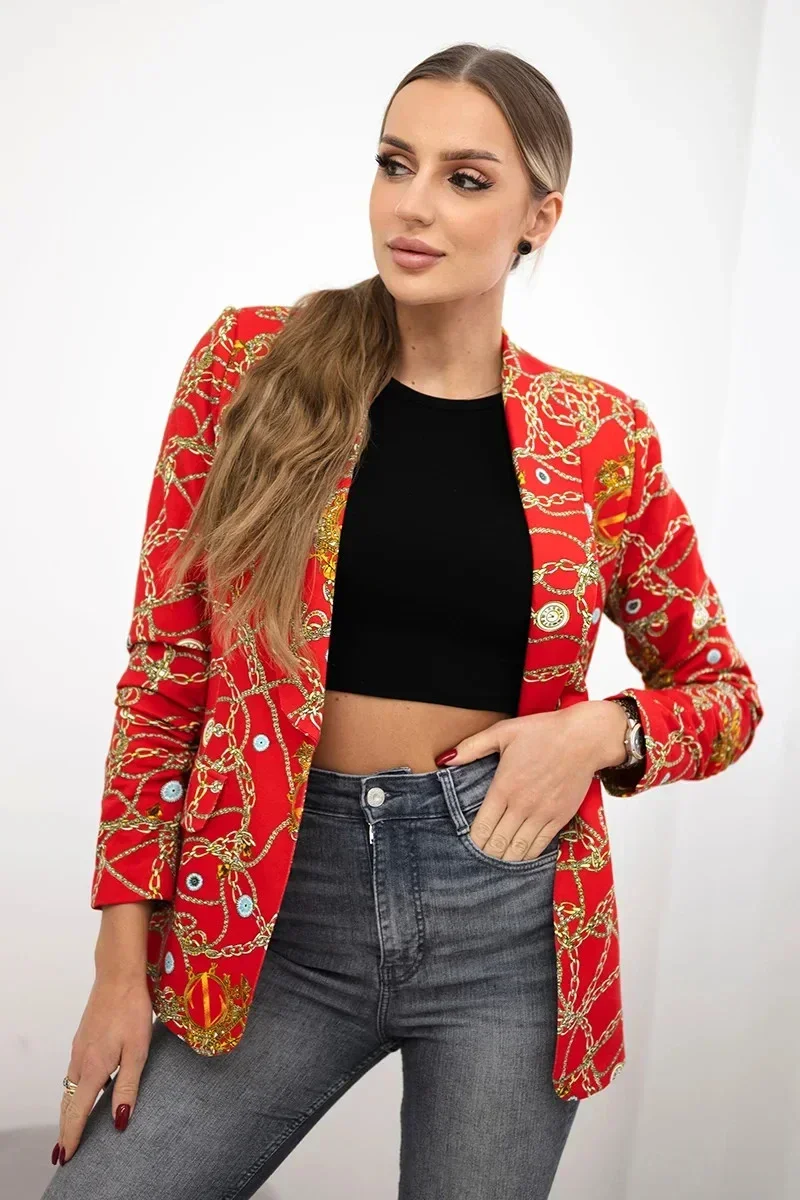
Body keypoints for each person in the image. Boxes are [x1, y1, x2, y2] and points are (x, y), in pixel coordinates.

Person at [42, 41, 764, 1200]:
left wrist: (598, 730)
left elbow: (722, 693)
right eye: (394, 164)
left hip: (506, 916)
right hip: (272, 908)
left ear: (538, 218)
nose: (412, 205)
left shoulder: (599, 439)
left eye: (464, 179)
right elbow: (166, 670)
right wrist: (119, 966)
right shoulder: (249, 367)